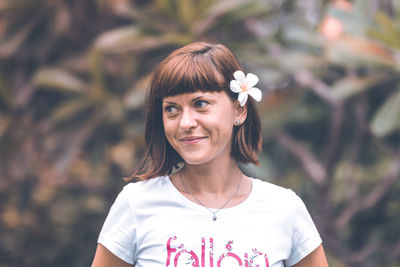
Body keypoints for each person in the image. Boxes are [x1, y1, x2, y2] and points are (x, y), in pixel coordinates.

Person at [91, 42, 329, 267]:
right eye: (171, 109)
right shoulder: (136, 204)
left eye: (201, 104)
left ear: (239, 109)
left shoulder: (284, 208)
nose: (185, 122)